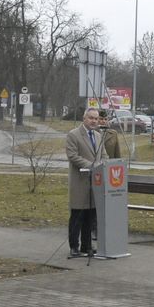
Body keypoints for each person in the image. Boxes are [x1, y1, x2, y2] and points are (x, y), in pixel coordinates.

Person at [65, 106, 102, 257]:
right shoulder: (73, 135)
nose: (94, 121)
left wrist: (104, 166)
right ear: (84, 118)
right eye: (91, 118)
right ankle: (74, 246)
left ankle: (86, 246)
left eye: (96, 118)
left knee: (90, 216)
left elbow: (104, 155)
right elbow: (72, 156)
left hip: (96, 183)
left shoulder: (98, 136)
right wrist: (91, 166)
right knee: (77, 216)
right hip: (80, 182)